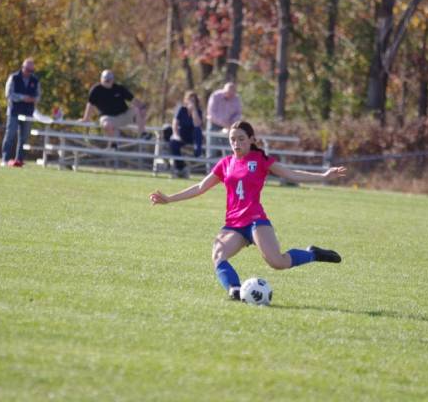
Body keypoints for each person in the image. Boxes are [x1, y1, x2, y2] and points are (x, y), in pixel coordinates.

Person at [149, 120, 347, 301]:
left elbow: (292, 174)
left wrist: (324, 175)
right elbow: (200, 187)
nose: (236, 143)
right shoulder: (225, 163)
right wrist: (169, 199)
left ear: (252, 140)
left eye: (241, 139)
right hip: (234, 224)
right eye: (232, 140)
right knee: (218, 255)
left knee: (277, 262)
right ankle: (235, 290)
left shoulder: (261, 160)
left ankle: (312, 253)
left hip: (255, 221)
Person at [81, 69, 150, 139]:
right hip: (108, 117)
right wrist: (86, 118)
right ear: (101, 79)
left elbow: (133, 100)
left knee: (137, 110)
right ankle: (113, 145)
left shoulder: (119, 88)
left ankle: (143, 134)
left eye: (109, 79)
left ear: (113, 80)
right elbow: (90, 105)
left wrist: (142, 107)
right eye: (105, 79)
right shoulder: (96, 90)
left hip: (124, 115)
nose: (107, 81)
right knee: (106, 125)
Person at [1, 57, 41, 167]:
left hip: (28, 112)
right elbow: (8, 94)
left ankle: (19, 160)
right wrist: (23, 98)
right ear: (23, 68)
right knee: (10, 134)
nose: (29, 73)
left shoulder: (35, 80)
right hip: (14, 111)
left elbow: (38, 96)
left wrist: (33, 99)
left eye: (31, 71)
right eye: (28, 70)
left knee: (24, 137)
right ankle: (5, 159)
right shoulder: (13, 78)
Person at [169, 91, 203, 178]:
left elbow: (197, 124)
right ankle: (181, 167)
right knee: (173, 143)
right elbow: (175, 123)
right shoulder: (181, 110)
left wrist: (194, 110)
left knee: (198, 129)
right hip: (181, 135)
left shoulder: (198, 111)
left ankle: (197, 150)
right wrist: (176, 135)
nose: (191, 102)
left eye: (193, 100)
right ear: (186, 100)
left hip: (193, 136)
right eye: (190, 100)